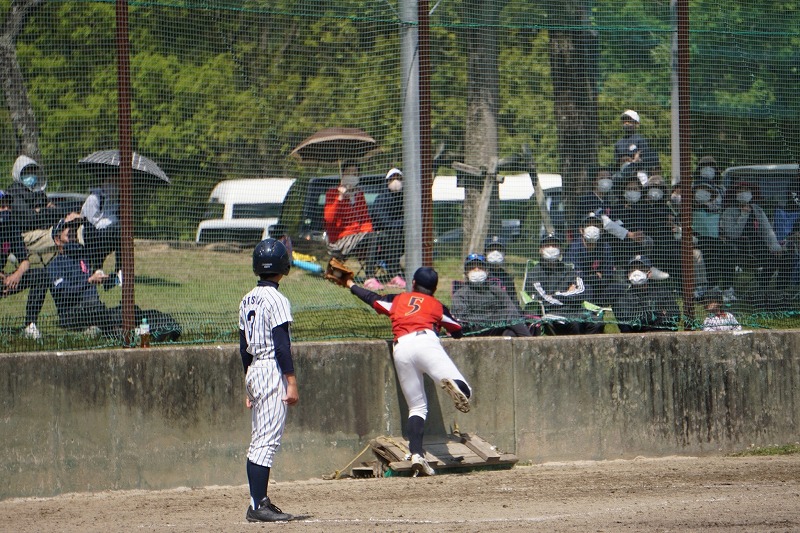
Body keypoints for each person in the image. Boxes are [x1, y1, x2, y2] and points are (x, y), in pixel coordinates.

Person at [344, 266, 472, 476]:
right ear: (435, 288)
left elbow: (371, 298)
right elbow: (457, 330)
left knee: (417, 407)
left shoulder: (398, 299)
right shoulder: (436, 304)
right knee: (466, 391)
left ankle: (416, 455)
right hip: (426, 341)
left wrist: (350, 284)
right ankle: (454, 386)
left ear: (413, 284)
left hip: (401, 347)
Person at [239, 238, 298, 522]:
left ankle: (257, 502)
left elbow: (242, 346)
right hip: (271, 370)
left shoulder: (246, 298)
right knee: (266, 443)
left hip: (254, 370)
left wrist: (246, 383)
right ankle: (258, 506)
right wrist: (292, 381)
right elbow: (281, 345)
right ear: (282, 267)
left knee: (258, 441)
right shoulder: (277, 299)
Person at [47, 218, 180, 339]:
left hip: (96, 310)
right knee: (110, 317)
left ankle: (164, 328)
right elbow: (62, 292)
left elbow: (95, 236)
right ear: (58, 240)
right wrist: (88, 281)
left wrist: (84, 220)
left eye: (75, 235)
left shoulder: (83, 256)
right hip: (73, 315)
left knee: (131, 310)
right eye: (69, 235)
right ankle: (131, 334)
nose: (74, 239)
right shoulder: (54, 265)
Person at [720, 181, 791, 300]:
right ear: (735, 194)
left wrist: (775, 247)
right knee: (729, 252)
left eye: (747, 191)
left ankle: (773, 290)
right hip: (738, 247)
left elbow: (767, 230)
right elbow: (732, 234)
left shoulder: (757, 209)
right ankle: (728, 289)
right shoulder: (729, 211)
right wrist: (743, 215)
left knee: (784, 257)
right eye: (740, 191)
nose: (744, 193)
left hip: (757, 246)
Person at [523, 233, 602, 335]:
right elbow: (542, 298)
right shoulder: (534, 273)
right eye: (547, 245)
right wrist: (569, 294)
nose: (551, 248)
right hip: (552, 312)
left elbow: (582, 291)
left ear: (560, 249)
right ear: (540, 250)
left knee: (597, 323)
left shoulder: (569, 269)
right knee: (575, 324)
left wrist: (557, 295)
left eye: (555, 245)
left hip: (574, 310)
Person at [7, 155, 78, 267]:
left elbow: (54, 210)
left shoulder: (38, 192)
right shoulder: (13, 193)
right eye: (27, 171)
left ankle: (80, 270)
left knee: (73, 230)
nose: (31, 175)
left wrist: (41, 211)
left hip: (46, 229)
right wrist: (44, 212)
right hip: (25, 236)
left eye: (32, 171)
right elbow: (30, 219)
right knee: (63, 236)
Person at [323, 161, 382, 289]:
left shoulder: (359, 195)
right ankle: (370, 277)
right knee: (372, 236)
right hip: (339, 240)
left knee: (378, 235)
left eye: (355, 173)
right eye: (349, 173)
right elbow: (329, 219)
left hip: (358, 238)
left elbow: (365, 220)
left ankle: (394, 275)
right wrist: (340, 197)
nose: (352, 175)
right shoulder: (332, 193)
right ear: (343, 174)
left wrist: (369, 234)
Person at [0, 190, 49, 340]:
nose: (6, 209)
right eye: (2, 206)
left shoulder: (10, 227)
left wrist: (16, 275)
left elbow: (25, 260)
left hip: (4, 280)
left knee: (40, 275)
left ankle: (30, 325)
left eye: (8, 206)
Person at [452, 253, 531, 337]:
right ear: (466, 273)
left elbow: (511, 309)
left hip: (495, 327)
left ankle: (529, 342)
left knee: (510, 334)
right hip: (473, 329)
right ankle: (531, 342)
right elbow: (461, 318)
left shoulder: (496, 290)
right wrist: (491, 318)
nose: (477, 270)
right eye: (472, 268)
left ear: (487, 271)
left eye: (480, 267)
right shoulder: (460, 294)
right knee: (508, 314)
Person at [565, 212, 621, 308]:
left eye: (596, 225)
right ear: (581, 230)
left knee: (618, 288)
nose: (592, 228)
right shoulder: (574, 248)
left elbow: (608, 272)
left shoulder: (605, 247)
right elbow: (573, 273)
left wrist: (596, 277)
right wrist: (594, 276)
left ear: (601, 230)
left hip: (600, 286)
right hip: (581, 286)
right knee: (587, 290)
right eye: (588, 225)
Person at [614, 255, 681, 333]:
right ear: (628, 274)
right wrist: (658, 316)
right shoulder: (623, 299)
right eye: (632, 269)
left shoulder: (663, 293)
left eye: (641, 269)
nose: (636, 272)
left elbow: (675, 316)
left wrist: (647, 319)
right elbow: (631, 324)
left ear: (649, 273)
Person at [371, 167, 406, 288]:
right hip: (380, 239)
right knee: (394, 234)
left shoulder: (404, 199)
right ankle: (393, 275)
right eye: (392, 179)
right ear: (387, 182)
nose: (396, 181)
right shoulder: (381, 199)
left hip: (400, 239)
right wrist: (405, 222)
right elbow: (386, 223)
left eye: (399, 178)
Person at [80, 178, 120, 276]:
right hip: (92, 235)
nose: (114, 186)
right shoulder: (93, 198)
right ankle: (97, 267)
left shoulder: (117, 200)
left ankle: (120, 270)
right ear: (104, 183)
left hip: (110, 233)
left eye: (115, 183)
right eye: (111, 182)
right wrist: (111, 222)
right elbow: (92, 223)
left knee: (122, 232)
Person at [483, 235, 518, 305]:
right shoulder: (481, 275)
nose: (495, 253)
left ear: (504, 253)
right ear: (485, 253)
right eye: (492, 249)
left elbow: (513, 301)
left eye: (499, 250)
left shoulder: (507, 278)